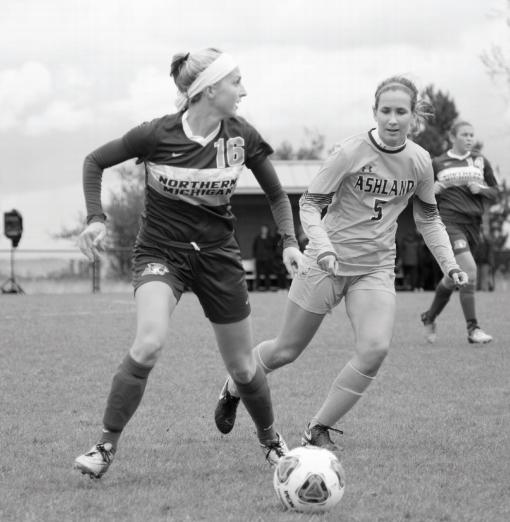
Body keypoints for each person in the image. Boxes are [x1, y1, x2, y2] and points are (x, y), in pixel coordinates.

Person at [73, 48, 302, 479]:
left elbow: (276, 194)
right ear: (209, 89)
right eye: (236, 82)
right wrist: (96, 219)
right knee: (149, 343)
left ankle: (272, 442)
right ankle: (104, 447)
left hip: (218, 258)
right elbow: (94, 162)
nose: (244, 90)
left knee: (243, 367)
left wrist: (290, 241)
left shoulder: (241, 136)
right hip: (161, 253)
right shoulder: (156, 134)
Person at [214, 76, 467, 452]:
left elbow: (429, 219)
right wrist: (325, 247)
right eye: (386, 111)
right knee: (286, 350)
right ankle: (234, 387)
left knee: (375, 349)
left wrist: (449, 264)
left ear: (414, 116)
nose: (393, 119)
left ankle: (318, 428)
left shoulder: (419, 161)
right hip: (325, 262)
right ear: (375, 112)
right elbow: (309, 205)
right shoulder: (349, 152)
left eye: (401, 112)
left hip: (375, 267)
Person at [420, 121, 499, 344]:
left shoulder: (481, 161)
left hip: (473, 224)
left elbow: (495, 191)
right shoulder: (437, 163)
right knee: (470, 270)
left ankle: (429, 317)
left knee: (451, 278)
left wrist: (482, 189)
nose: (469, 138)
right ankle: (473, 329)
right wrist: (430, 190)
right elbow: (419, 193)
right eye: (464, 134)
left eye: (472, 135)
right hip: (449, 222)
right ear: (452, 136)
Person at [252, 224, 275, 291]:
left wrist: (271, 256)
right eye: (263, 229)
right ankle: (257, 287)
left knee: (267, 273)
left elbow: (273, 248)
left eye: (265, 229)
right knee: (258, 273)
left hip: (267, 259)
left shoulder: (270, 238)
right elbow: (254, 248)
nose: (264, 230)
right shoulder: (257, 238)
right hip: (259, 258)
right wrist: (254, 257)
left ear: (267, 230)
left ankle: (267, 287)